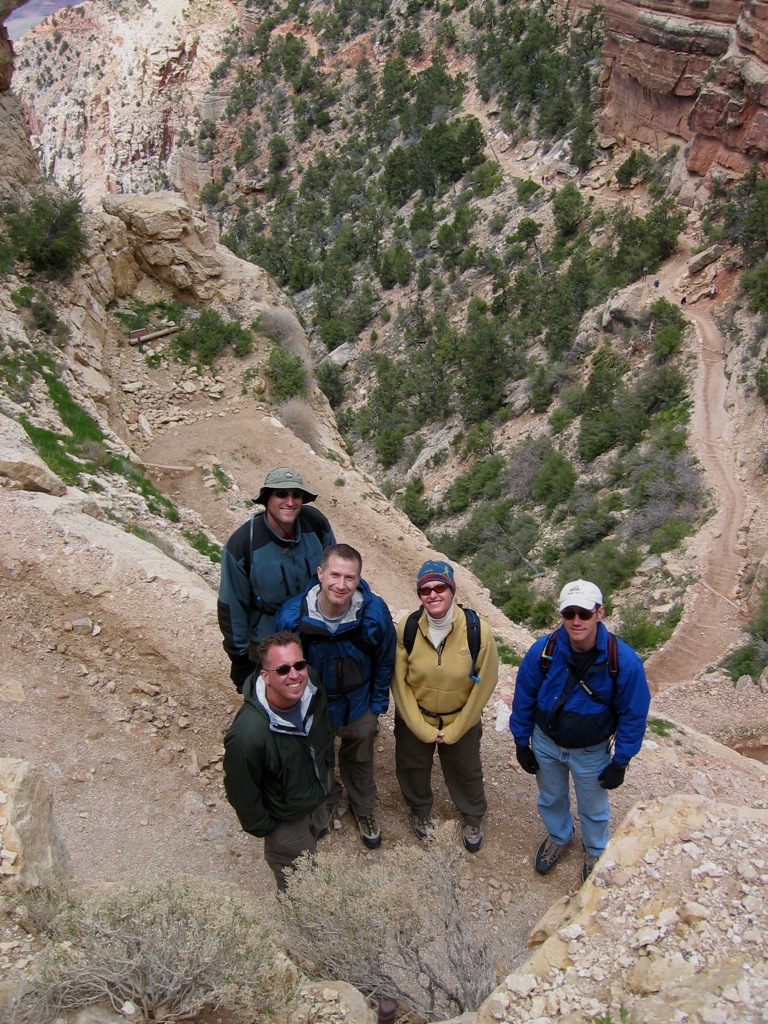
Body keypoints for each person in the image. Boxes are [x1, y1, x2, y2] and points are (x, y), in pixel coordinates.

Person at [510, 579, 651, 883]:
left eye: (584, 613)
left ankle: (596, 849)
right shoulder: (544, 651)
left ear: (600, 613)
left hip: (590, 751)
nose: (576, 621)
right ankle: (559, 837)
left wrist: (621, 761)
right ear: (561, 614)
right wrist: (522, 741)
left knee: (594, 807)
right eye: (569, 613)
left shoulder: (623, 661)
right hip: (546, 742)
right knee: (551, 797)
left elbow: (634, 713)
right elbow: (524, 695)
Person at [275, 543, 396, 849]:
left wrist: (376, 706)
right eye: (335, 575)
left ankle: (364, 808)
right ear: (320, 573)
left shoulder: (374, 614)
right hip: (314, 706)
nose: (341, 585)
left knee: (360, 759)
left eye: (350, 578)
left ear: (358, 580)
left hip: (358, 705)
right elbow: (281, 665)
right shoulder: (294, 616)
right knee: (319, 759)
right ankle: (325, 804)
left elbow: (385, 661)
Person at [391, 560, 499, 853]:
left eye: (440, 587)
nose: (433, 595)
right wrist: (419, 727)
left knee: (466, 769)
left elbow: (484, 685)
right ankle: (420, 810)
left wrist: (457, 729)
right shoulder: (408, 628)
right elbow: (399, 683)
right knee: (412, 766)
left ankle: (473, 815)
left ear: (452, 590)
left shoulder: (478, 631)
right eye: (425, 590)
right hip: (417, 716)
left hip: (459, 718)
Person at [223, 630, 335, 891]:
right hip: (286, 819)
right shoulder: (249, 734)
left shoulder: (312, 686)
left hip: (317, 796)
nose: (294, 675)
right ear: (266, 676)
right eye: (283, 669)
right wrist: (267, 828)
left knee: (314, 840)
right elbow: (241, 789)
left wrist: (328, 769)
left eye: (299, 665)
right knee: (296, 884)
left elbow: (324, 731)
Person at [217, 467, 336, 691]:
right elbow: (231, 605)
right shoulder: (243, 544)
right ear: (267, 499)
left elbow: (335, 569)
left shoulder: (316, 524)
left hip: (313, 628)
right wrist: (239, 658)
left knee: (315, 689)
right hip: (265, 636)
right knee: (274, 698)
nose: (290, 502)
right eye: (281, 494)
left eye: (297, 495)